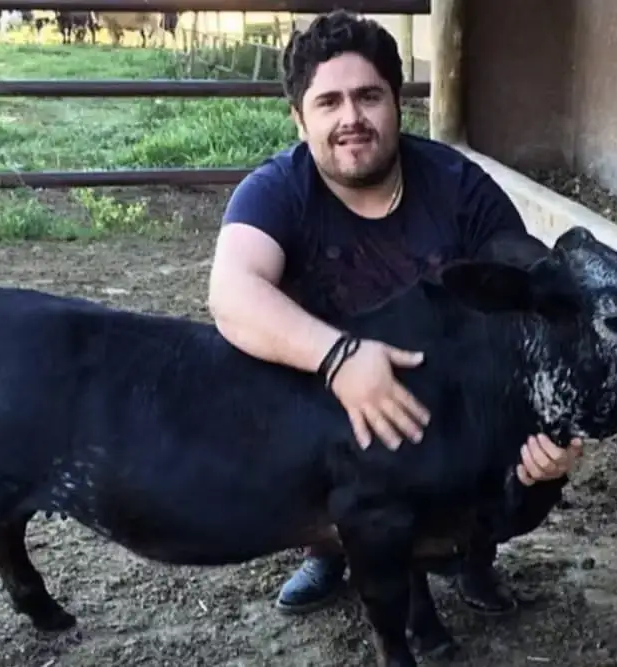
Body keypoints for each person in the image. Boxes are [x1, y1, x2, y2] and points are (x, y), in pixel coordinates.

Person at [206, 10, 584, 618]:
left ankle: (474, 551)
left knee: (535, 464)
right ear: (299, 120)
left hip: (452, 405)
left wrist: (558, 422)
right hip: (334, 399)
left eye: (368, 96)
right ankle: (327, 548)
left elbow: (533, 299)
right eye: (328, 102)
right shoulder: (276, 190)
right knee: (277, 406)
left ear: (396, 105)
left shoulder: (460, 187)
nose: (351, 118)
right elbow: (231, 293)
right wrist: (339, 359)